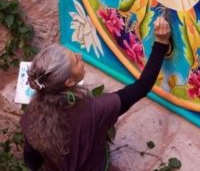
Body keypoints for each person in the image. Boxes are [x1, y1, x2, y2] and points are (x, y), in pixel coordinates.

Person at [20, 16, 171, 171]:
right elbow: (142, 86)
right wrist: (161, 42)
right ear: (70, 82)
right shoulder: (95, 110)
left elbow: (31, 159)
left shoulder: (32, 112)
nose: (80, 56)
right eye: (76, 61)